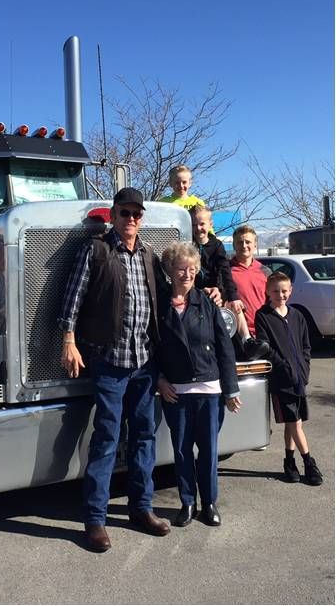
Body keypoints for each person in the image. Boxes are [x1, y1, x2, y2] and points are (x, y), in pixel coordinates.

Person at [58, 186, 170, 553]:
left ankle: (141, 508)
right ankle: (95, 519)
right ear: (113, 214)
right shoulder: (97, 250)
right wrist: (69, 341)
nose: (132, 220)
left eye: (137, 214)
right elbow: (72, 298)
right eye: (125, 213)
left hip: (144, 362)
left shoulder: (150, 255)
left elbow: (170, 297)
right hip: (109, 361)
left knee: (144, 437)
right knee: (106, 438)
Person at [156, 241, 242, 528]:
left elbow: (224, 348)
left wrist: (231, 389)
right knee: (181, 452)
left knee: (208, 450)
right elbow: (149, 347)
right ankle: (187, 502)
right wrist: (159, 379)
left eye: (192, 269)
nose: (187, 274)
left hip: (209, 391)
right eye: (181, 268)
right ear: (169, 270)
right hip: (175, 393)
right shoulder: (159, 305)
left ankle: (209, 503)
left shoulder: (207, 302)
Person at [255, 272, 323, 486]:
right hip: (282, 380)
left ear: (290, 290)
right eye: (275, 291)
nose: (280, 295)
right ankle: (309, 463)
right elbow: (267, 349)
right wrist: (285, 369)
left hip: (299, 379)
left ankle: (289, 461)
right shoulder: (263, 316)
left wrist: (304, 369)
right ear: (267, 291)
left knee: (294, 424)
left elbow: (305, 346)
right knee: (295, 422)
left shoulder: (297, 316)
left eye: (284, 291)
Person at [191, 206, 269, 360]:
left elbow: (224, 273)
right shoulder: (187, 244)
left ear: (210, 224)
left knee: (234, 305)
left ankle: (247, 340)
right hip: (194, 293)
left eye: (202, 224)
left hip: (214, 294)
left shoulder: (217, 246)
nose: (198, 228)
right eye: (194, 224)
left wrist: (229, 295)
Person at [230, 224, 272, 354]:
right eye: (239, 242)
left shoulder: (265, 272)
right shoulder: (226, 271)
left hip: (263, 333)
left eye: (248, 242)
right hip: (236, 335)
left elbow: (272, 302)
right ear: (234, 245)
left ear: (255, 245)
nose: (243, 245)